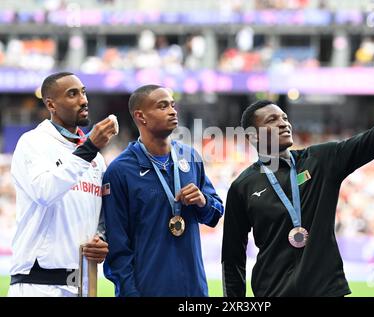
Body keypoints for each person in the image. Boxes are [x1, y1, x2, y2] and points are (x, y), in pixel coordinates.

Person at [221, 59, 374, 296]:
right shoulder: (243, 186)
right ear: (253, 136)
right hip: (272, 292)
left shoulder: (321, 160)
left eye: (284, 118)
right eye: (272, 120)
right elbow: (232, 257)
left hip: (326, 290)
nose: (284, 123)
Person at [102, 84, 224, 297]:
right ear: (141, 116)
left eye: (173, 105)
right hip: (148, 290)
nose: (173, 111)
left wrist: (202, 201)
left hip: (194, 292)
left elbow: (215, 214)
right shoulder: (119, 171)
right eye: (162, 106)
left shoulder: (190, 157)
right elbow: (117, 246)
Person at [8, 72, 117, 297]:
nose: (83, 100)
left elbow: (100, 215)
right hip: (38, 284)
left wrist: (101, 238)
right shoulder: (33, 142)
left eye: (84, 92)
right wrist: (89, 149)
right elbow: (45, 192)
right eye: (72, 94)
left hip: (83, 283)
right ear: (51, 104)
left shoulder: (96, 158)